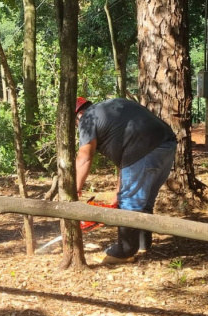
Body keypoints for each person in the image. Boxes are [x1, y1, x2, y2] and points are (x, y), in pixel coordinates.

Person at [74, 96, 177, 263]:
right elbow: (124, 159)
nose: (78, 127)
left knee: (130, 204)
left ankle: (124, 252)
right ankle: (143, 244)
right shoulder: (111, 108)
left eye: (75, 124)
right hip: (166, 144)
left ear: (78, 115)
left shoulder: (88, 118)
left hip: (143, 149)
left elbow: (84, 157)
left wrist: (74, 189)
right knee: (144, 201)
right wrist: (118, 193)